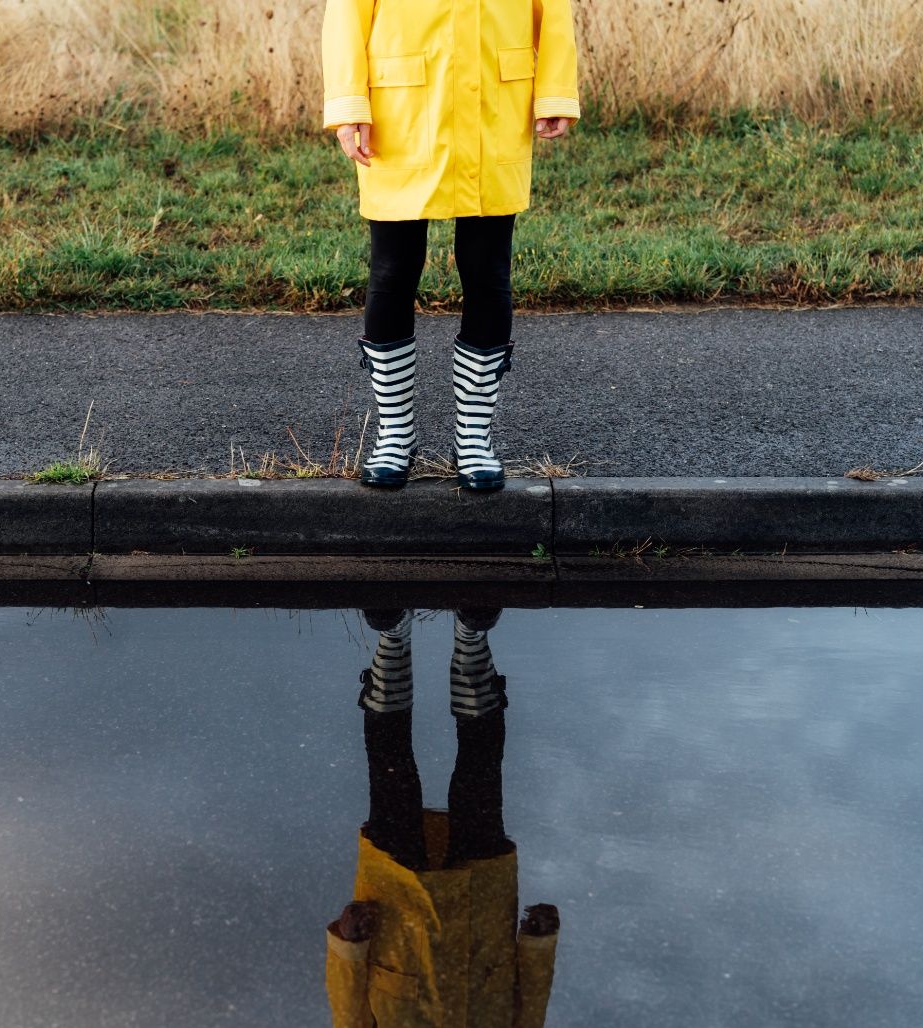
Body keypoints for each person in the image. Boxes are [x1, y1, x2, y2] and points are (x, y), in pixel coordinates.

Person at [321, 0, 582, 490]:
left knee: (487, 272)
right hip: (401, 111)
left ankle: (474, 438)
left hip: (494, 108)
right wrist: (349, 106)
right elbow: (346, 15)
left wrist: (554, 94)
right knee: (393, 271)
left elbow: (555, 13)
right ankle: (395, 434)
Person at [325, 607, 561, 1027]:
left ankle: (392, 634)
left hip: (396, 921)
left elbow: (349, 1019)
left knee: (391, 769)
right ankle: (472, 633)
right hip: (483, 923)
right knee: (480, 770)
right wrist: (540, 944)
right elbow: (530, 1017)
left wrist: (348, 944)